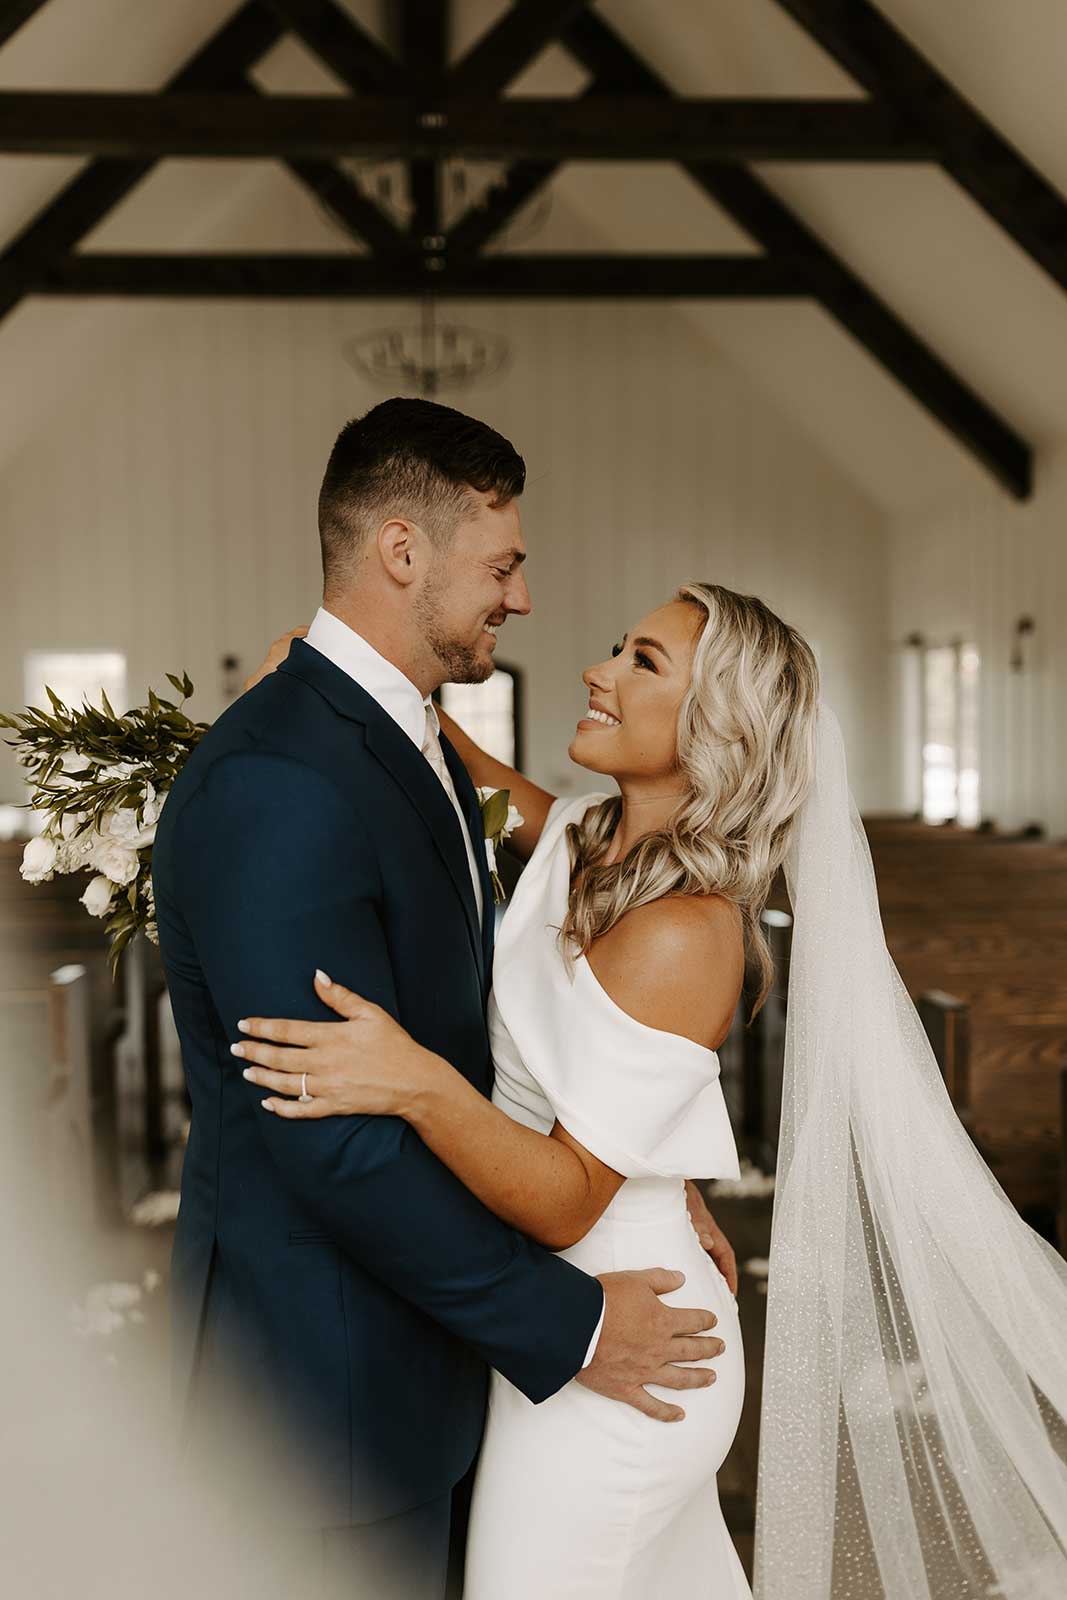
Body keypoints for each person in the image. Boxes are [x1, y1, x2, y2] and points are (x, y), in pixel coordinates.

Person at [151, 399, 728, 1600]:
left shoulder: (404, 737)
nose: (522, 600)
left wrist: (648, 1171)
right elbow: (335, 1142)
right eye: (502, 565)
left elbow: (488, 1028)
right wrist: (566, 1323)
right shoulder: (279, 778)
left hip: (430, 1358)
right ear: (402, 552)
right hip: (322, 1401)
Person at [235, 580, 821, 1596]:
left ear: (717, 723)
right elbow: (476, 778)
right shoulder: (584, 837)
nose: (595, 671)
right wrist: (343, 669)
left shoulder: (686, 927)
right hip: (559, 1320)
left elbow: (562, 1200)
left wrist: (411, 1080)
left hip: (631, 1341)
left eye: (642, 661)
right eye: (615, 646)